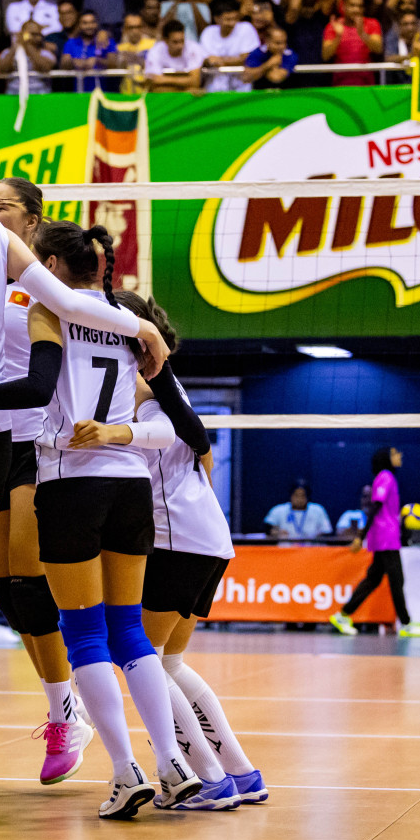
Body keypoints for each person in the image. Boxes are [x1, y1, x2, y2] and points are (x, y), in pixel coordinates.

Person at [0, 216, 186, 818]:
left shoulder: (46, 313)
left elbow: (35, 389)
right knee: (127, 632)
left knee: (82, 634)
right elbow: (183, 420)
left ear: (47, 266)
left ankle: (125, 770)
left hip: (66, 478)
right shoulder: (130, 321)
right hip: (131, 482)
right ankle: (172, 765)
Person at [115, 290, 268, 810]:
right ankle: (242, 773)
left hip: (176, 539)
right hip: (207, 538)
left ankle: (206, 778)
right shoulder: (165, 380)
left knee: (145, 662)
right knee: (171, 662)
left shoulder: (135, 381)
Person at [0, 178, 94, 785]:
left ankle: (65, 712)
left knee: (28, 579)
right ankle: (65, 701)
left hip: (37, 443)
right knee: (10, 592)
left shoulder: (45, 286)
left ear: (32, 218)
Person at [331, 447, 420, 637]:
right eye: (395, 453)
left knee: (373, 579)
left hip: (387, 536)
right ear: (386, 458)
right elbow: (375, 506)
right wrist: (361, 536)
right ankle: (407, 623)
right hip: (386, 538)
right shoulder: (386, 476)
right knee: (397, 580)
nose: (400, 455)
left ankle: (343, 615)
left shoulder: (386, 478)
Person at [200, 0, 262, 92]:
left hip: (242, 85)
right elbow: (207, 60)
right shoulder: (208, 32)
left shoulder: (246, 28)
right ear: (217, 19)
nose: (232, 23)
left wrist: (221, 61)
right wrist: (233, 60)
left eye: (235, 19)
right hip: (214, 86)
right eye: (228, 19)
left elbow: (246, 58)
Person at [323, 0, 385, 83]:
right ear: (343, 6)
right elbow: (325, 55)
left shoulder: (372, 23)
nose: (357, 10)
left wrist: (362, 34)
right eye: (352, 5)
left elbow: (378, 48)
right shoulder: (333, 26)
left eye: (360, 6)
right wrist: (338, 37)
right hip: (340, 85)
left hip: (366, 85)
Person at [60, 10, 117, 93]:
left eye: (92, 22)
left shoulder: (107, 41)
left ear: (97, 23)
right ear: (79, 25)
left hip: (104, 94)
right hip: (79, 94)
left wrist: (97, 61)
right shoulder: (71, 43)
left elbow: (114, 64)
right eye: (85, 23)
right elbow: (64, 64)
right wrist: (74, 62)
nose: (89, 26)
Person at [142, 19, 205, 90]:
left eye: (182, 41)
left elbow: (195, 82)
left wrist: (164, 80)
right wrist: (186, 84)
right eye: (175, 42)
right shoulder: (155, 51)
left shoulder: (193, 48)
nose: (180, 46)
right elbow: (154, 83)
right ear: (165, 40)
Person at [0, 20, 58, 94]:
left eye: (37, 34)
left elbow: (45, 68)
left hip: (40, 94)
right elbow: (1, 70)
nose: (33, 37)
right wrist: (16, 47)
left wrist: (28, 46)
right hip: (13, 94)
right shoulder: (7, 52)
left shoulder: (46, 54)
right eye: (30, 34)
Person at [264, 484, 333, 539]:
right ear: (291, 496)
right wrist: (277, 532)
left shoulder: (318, 510)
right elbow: (268, 528)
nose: (300, 499)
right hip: (286, 550)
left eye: (303, 496)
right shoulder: (279, 510)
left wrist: (316, 537)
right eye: (296, 496)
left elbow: (327, 531)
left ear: (308, 497)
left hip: (312, 550)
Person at [116, 12, 157, 92]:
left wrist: (137, 59)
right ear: (125, 29)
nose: (135, 31)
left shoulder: (153, 45)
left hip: (149, 94)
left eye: (138, 27)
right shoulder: (120, 48)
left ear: (143, 28)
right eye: (131, 27)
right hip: (127, 95)